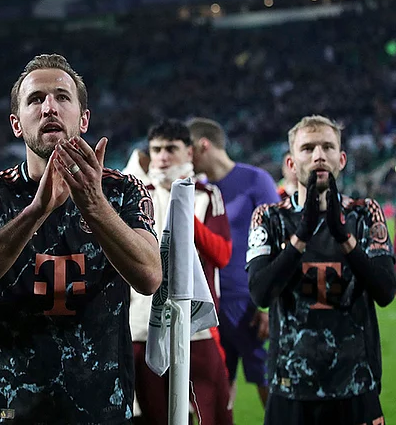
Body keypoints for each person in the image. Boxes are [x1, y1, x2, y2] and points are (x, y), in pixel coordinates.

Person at [0, 54, 162, 424]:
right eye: (35, 99)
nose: (49, 107)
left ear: (84, 119)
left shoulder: (122, 190)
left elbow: (149, 277)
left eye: (62, 97)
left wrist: (94, 206)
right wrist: (36, 211)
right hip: (13, 407)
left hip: (102, 407)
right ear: (16, 124)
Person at [246, 115, 396, 425]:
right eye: (308, 148)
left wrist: (344, 238)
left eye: (328, 147)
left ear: (341, 159)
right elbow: (261, 293)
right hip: (290, 386)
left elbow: (385, 292)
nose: (318, 155)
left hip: (356, 383)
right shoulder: (270, 218)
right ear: (291, 163)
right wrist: (302, 234)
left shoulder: (365, 214)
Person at [124, 119, 233, 425]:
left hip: (195, 326)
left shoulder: (206, 195)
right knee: (154, 418)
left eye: (171, 149)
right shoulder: (135, 196)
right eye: (156, 150)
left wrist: (182, 209)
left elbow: (222, 254)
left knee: (214, 416)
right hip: (142, 326)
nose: (162, 157)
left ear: (189, 153)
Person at [187, 117, 279, 407]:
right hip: (210, 304)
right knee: (216, 388)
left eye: (189, 149)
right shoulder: (196, 190)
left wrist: (270, 304)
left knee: (269, 383)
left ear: (203, 146)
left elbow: (280, 242)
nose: (186, 157)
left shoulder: (256, 181)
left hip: (250, 304)